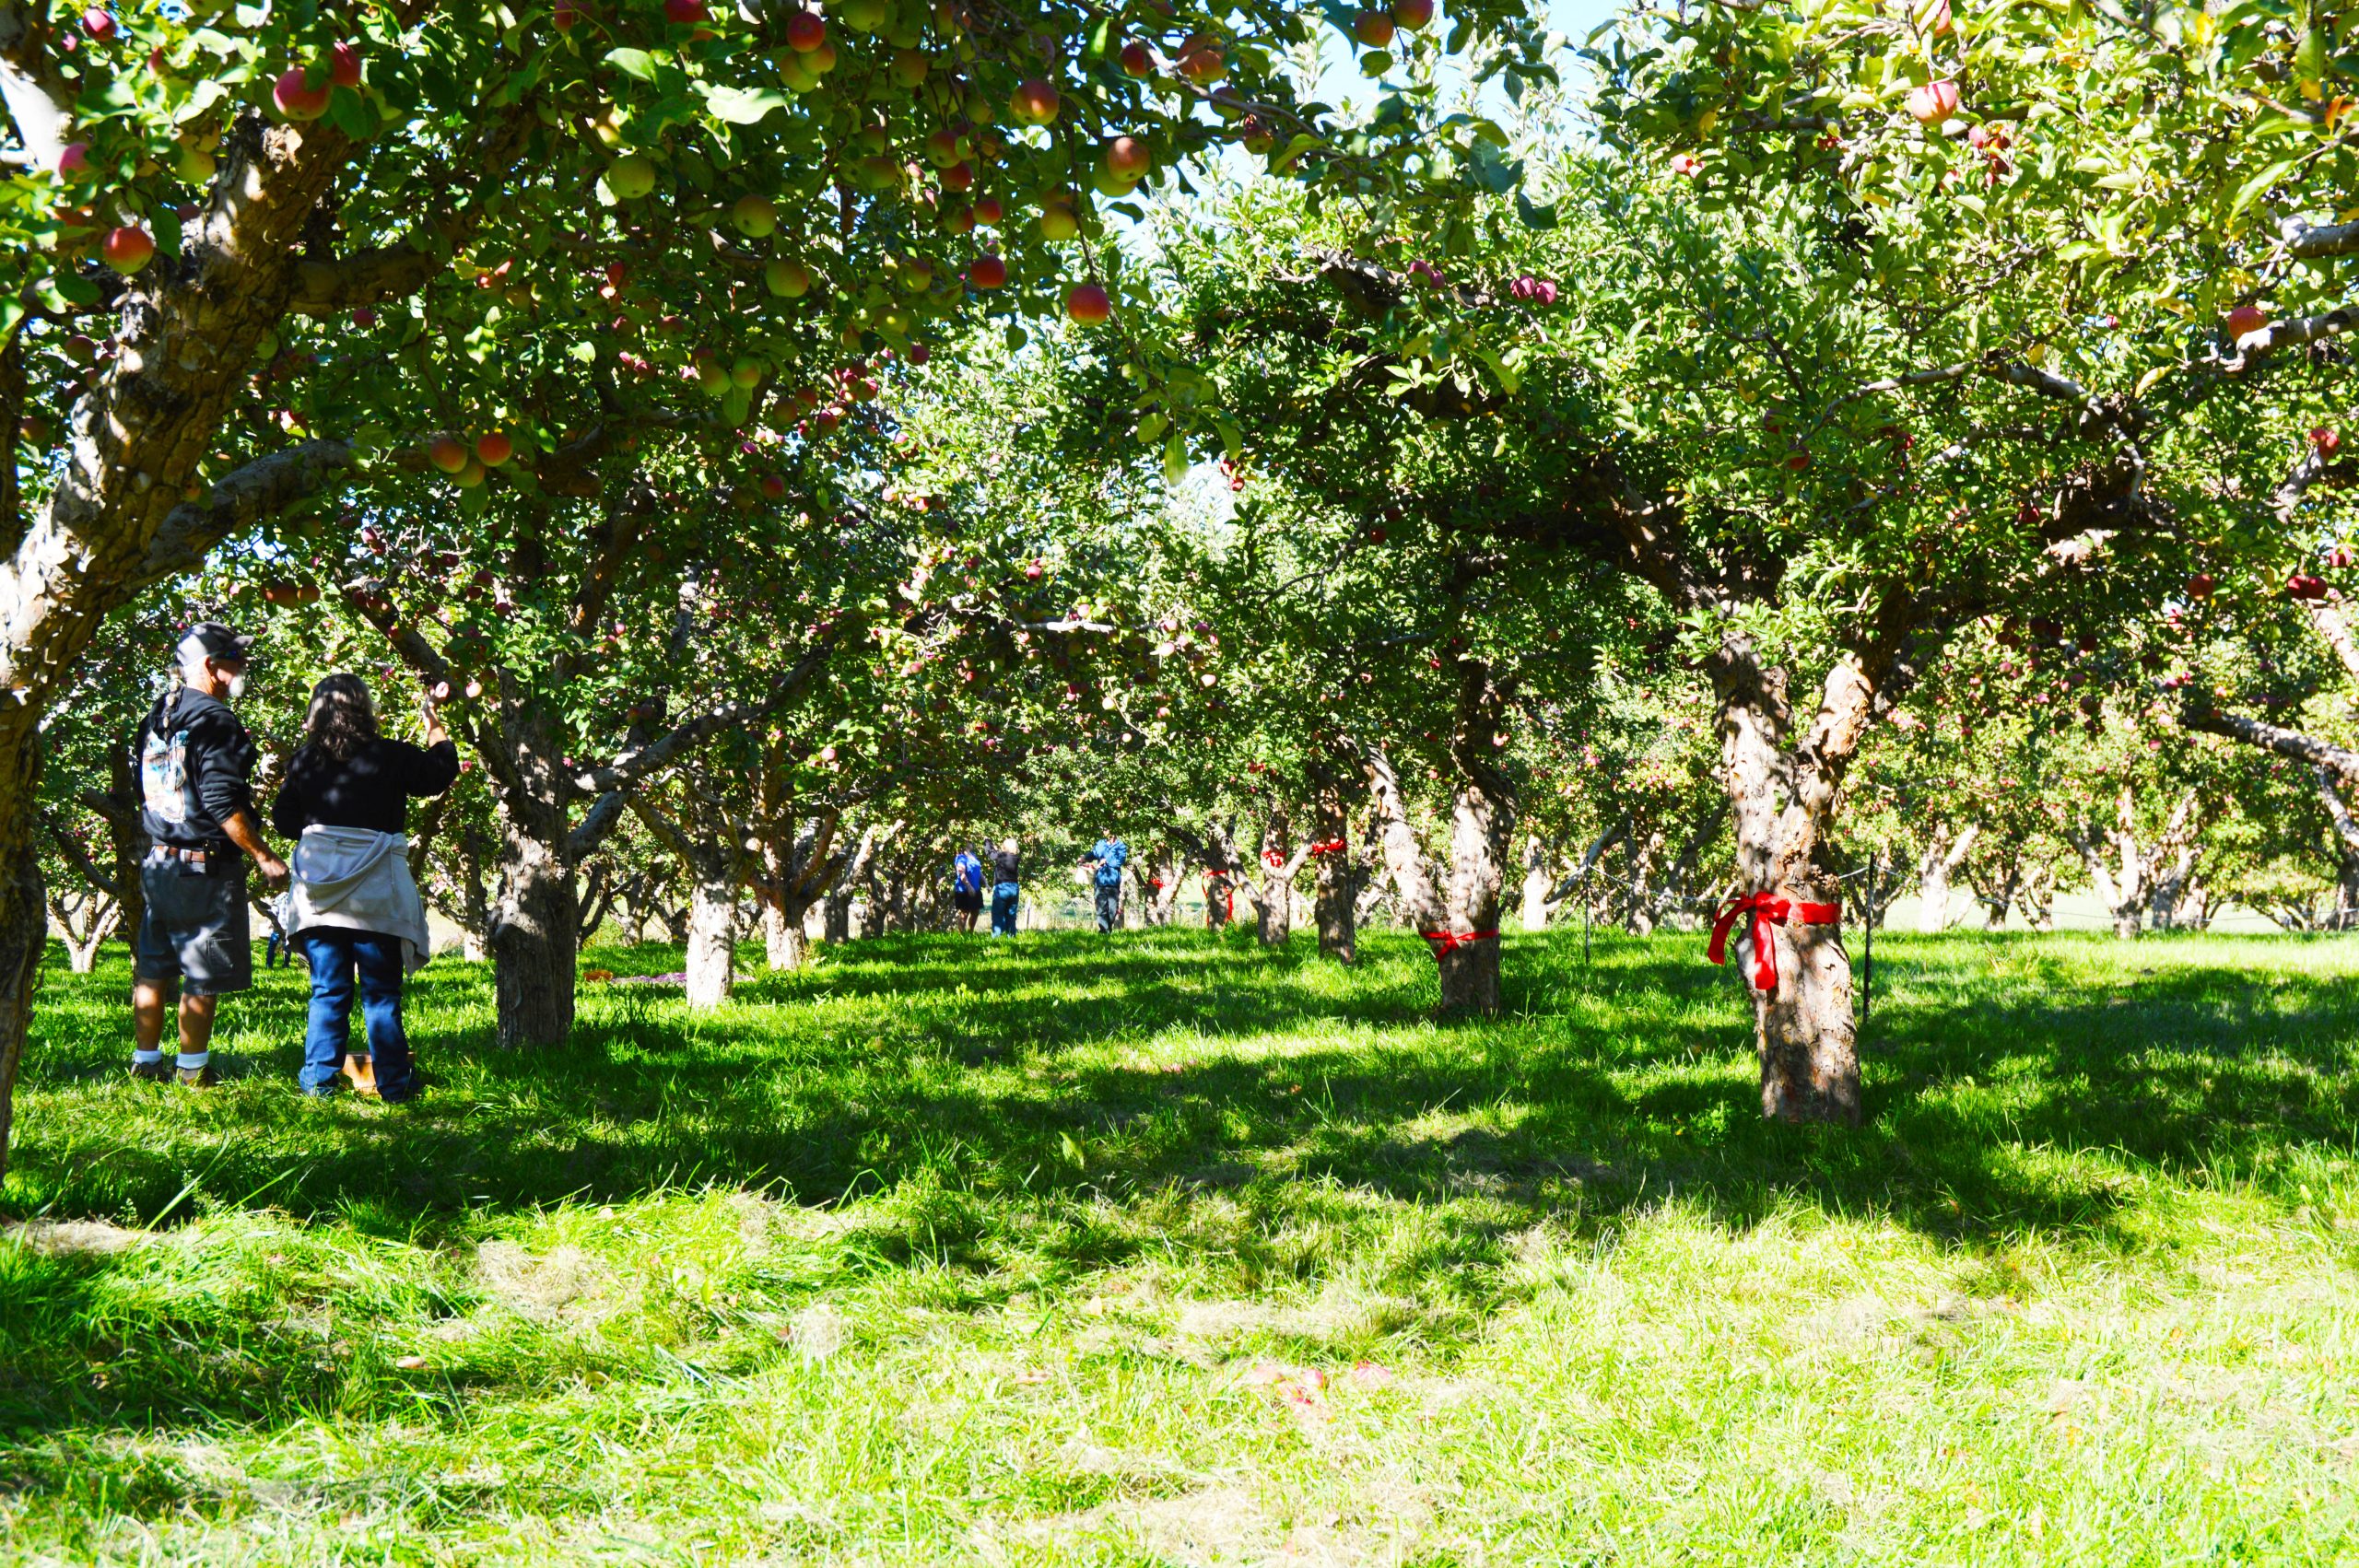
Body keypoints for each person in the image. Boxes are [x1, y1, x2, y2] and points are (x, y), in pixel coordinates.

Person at [271, 674, 459, 1103]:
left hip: (321, 898)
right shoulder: (390, 756)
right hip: (377, 896)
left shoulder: (304, 761)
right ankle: (394, 1085)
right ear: (365, 709)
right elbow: (440, 771)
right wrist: (432, 717)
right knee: (381, 994)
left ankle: (319, 1083)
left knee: (328, 990)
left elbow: (284, 821)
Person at [129, 623, 288, 1087]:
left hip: (159, 860)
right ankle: (193, 1072)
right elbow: (221, 802)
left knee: (155, 965)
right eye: (234, 659)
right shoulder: (216, 720)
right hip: (201, 864)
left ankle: (145, 1061)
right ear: (210, 666)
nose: (242, 668)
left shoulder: (160, 714)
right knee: (201, 970)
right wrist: (262, 854)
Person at [1082, 830, 1129, 933]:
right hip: (1100, 881)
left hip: (1113, 883)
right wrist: (1084, 858)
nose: (1104, 831)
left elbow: (1119, 862)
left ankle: (1107, 928)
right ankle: (1104, 931)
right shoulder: (1100, 844)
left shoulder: (1121, 846)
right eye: (1103, 829)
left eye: (1106, 829)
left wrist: (1106, 860)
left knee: (1112, 910)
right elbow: (1094, 853)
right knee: (1101, 908)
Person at [989, 837, 1021, 937]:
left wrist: (987, 842)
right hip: (1014, 887)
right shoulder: (1016, 858)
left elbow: (990, 854)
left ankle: (996, 938)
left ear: (1004, 847)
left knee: (998, 914)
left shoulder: (1000, 856)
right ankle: (1011, 936)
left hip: (1002, 887)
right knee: (1011, 915)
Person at [951, 845, 986, 933]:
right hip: (964, 890)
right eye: (969, 841)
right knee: (964, 913)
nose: (971, 843)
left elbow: (978, 871)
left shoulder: (973, 856)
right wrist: (969, 886)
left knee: (976, 912)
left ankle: (971, 932)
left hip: (976, 889)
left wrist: (986, 883)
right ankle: (961, 934)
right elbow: (961, 873)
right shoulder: (961, 857)